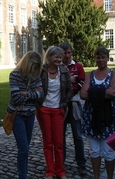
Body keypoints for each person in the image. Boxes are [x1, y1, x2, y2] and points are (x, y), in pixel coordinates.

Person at [80, 46, 115, 179]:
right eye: (98, 57)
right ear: (95, 58)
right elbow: (83, 94)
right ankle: (96, 176)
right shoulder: (90, 74)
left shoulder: (113, 74)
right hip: (91, 116)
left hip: (108, 115)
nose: (101, 60)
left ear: (108, 58)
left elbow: (113, 93)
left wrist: (93, 90)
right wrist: (103, 92)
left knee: (108, 150)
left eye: (103, 57)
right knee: (94, 150)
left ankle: (109, 177)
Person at [37, 46, 72, 179]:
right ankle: (50, 171)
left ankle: (60, 170)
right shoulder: (42, 71)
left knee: (58, 142)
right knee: (47, 142)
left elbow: (69, 90)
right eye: (56, 57)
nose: (59, 59)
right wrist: (39, 104)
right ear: (49, 57)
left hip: (58, 109)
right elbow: (35, 86)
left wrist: (64, 104)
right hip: (44, 109)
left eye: (60, 57)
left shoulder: (64, 71)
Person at [7, 51, 44, 179]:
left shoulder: (36, 75)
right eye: (33, 66)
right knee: (23, 147)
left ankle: (23, 172)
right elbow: (16, 98)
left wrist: (25, 93)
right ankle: (23, 175)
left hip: (30, 114)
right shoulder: (15, 75)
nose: (35, 69)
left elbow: (41, 95)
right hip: (17, 115)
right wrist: (33, 93)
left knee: (25, 147)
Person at [59, 42, 87, 175]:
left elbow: (83, 82)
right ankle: (60, 163)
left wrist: (72, 81)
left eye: (69, 52)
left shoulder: (78, 66)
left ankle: (81, 163)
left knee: (78, 136)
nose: (67, 56)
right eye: (64, 53)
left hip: (75, 103)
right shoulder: (57, 67)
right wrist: (69, 80)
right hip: (61, 104)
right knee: (61, 137)